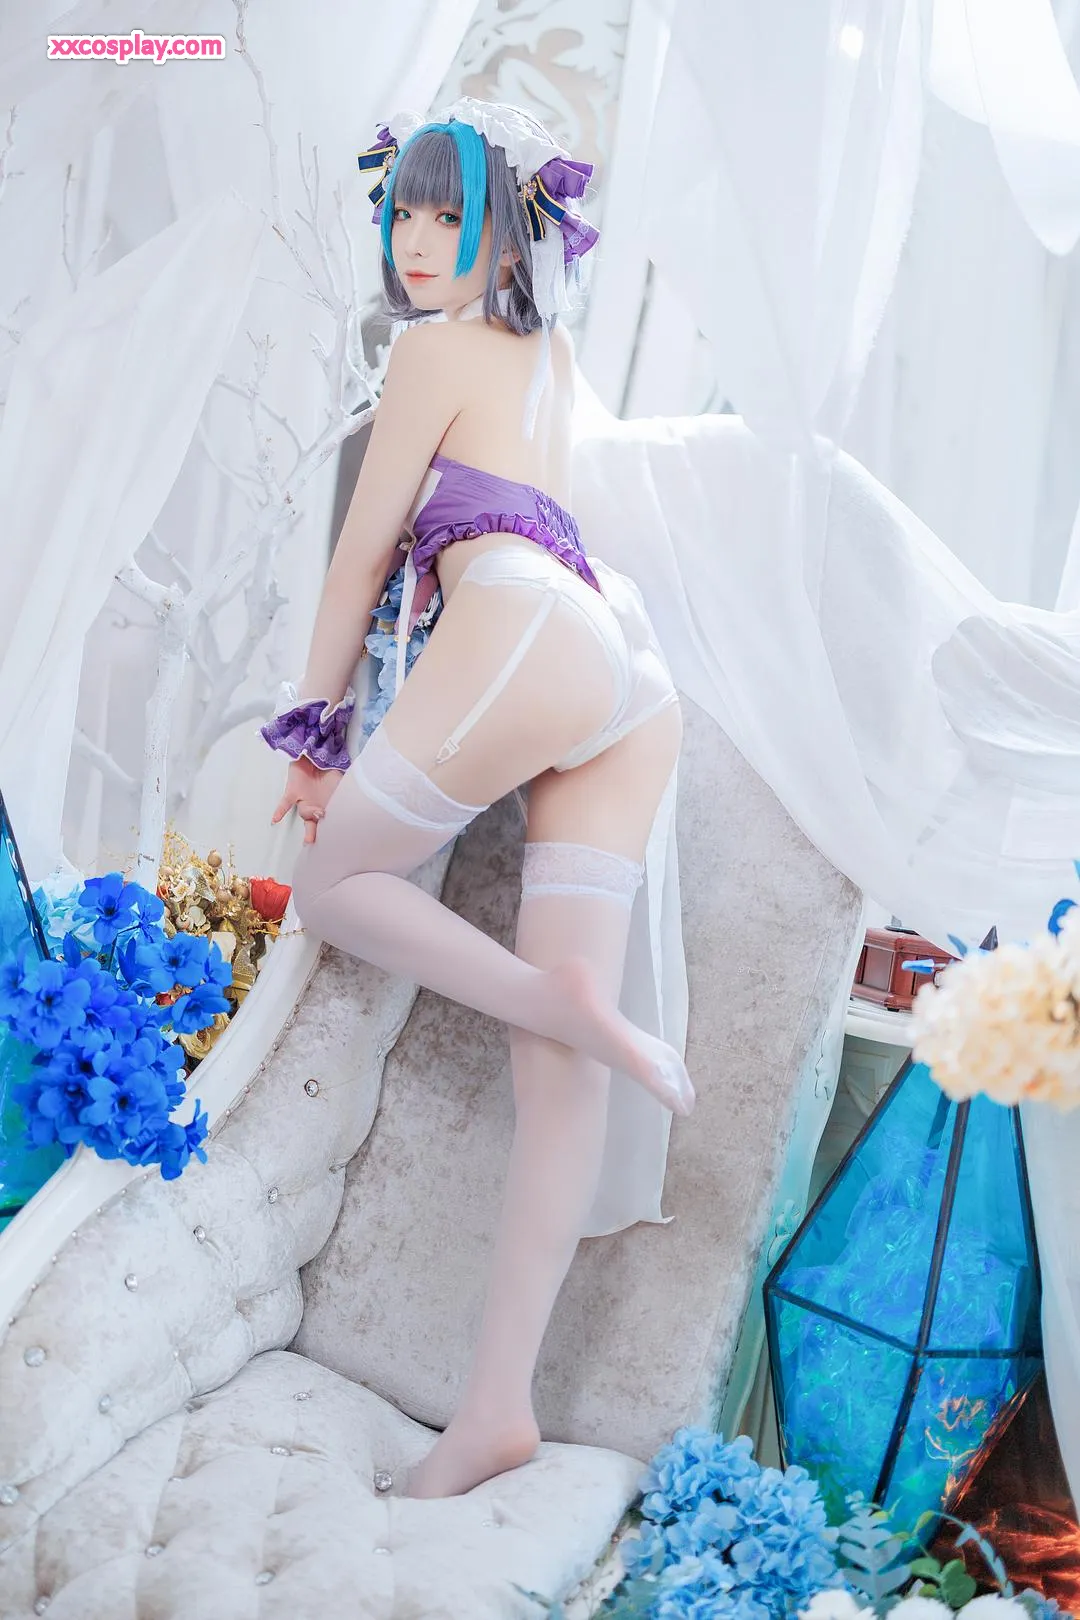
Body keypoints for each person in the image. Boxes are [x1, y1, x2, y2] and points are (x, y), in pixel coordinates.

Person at [259, 98, 690, 1500]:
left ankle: (558, 998)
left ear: (507, 230)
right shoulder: (550, 356)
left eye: (449, 213)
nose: (417, 239)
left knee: (336, 886)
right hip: (625, 674)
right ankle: (499, 1410)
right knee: (557, 1072)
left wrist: (315, 732)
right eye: (405, 210)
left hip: (530, 630)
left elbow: (359, 555)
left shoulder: (437, 347)